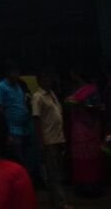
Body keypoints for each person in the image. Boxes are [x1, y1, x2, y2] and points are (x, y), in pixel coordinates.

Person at [31, 70, 71, 209]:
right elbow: (36, 119)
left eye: (49, 78)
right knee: (53, 174)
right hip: (49, 140)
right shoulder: (38, 97)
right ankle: (60, 203)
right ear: (39, 81)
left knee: (58, 172)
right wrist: (41, 141)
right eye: (45, 78)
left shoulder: (52, 94)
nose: (48, 81)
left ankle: (57, 201)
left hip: (58, 137)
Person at [65, 68, 104, 194]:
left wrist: (80, 105)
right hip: (78, 127)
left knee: (90, 155)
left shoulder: (91, 90)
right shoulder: (75, 89)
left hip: (89, 127)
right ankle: (82, 184)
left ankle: (92, 184)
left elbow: (97, 107)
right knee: (80, 156)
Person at [0, 61, 32, 165]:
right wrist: (6, 132)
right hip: (12, 130)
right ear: (8, 73)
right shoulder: (0, 86)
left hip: (24, 128)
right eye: (14, 72)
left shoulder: (18, 86)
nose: (16, 75)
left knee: (27, 159)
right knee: (17, 159)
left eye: (17, 73)